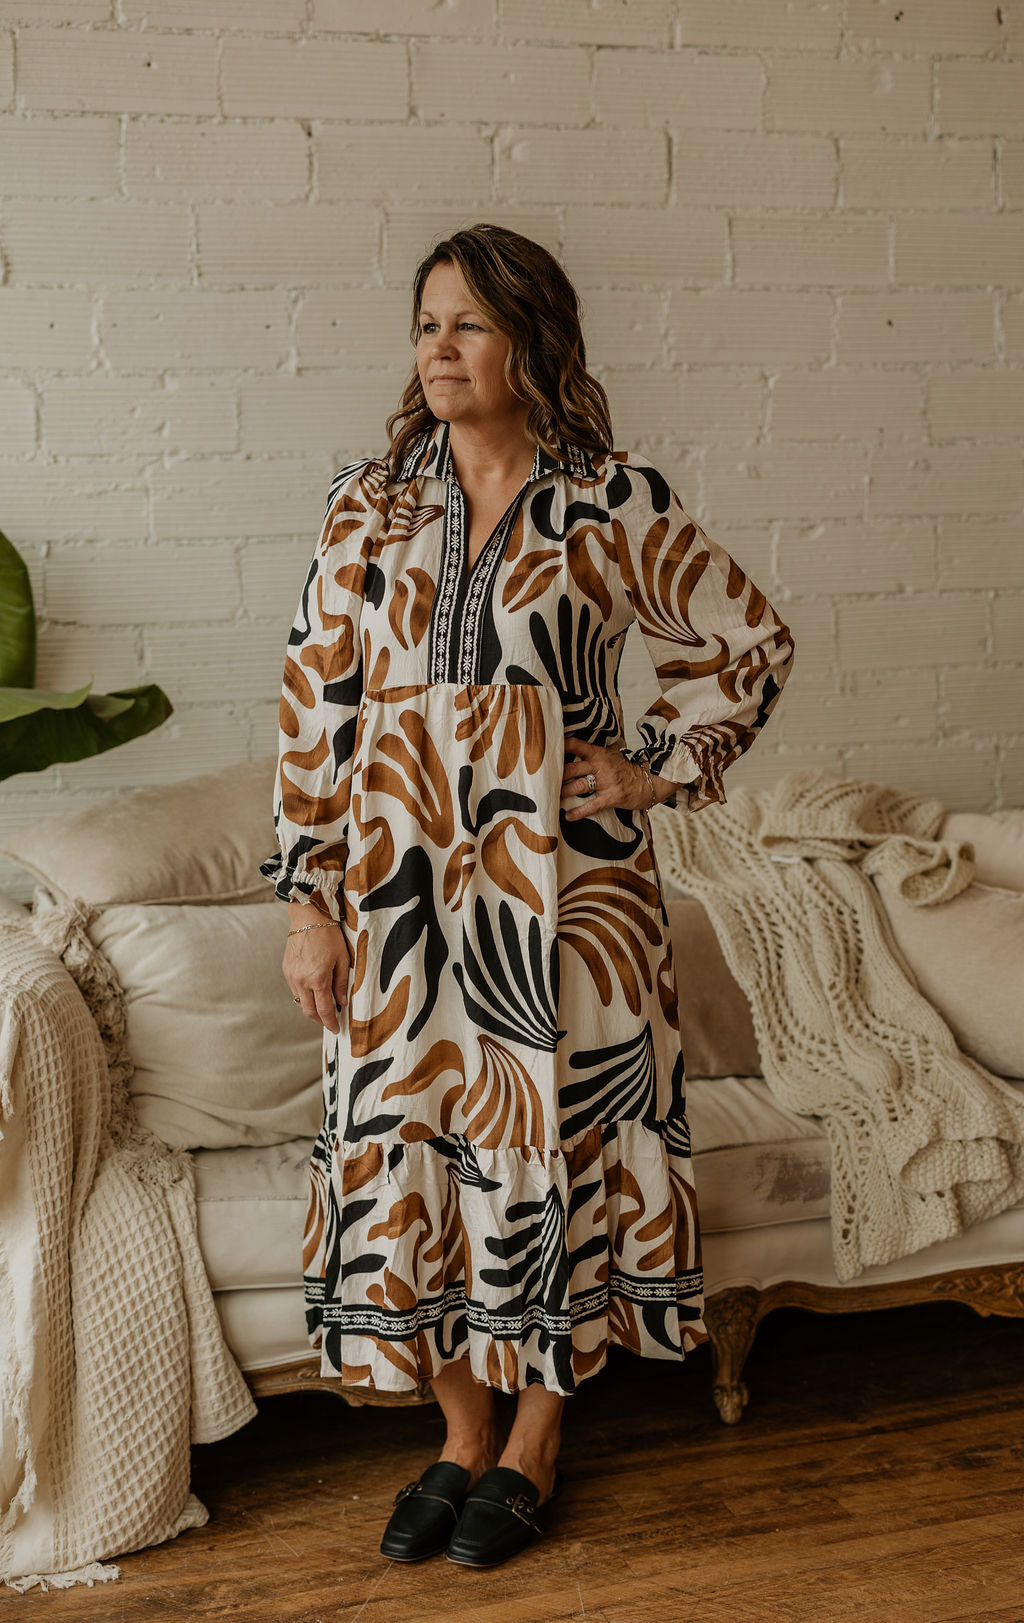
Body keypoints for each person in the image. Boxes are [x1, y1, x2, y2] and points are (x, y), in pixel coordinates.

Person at [259, 223, 795, 1570]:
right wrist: (309, 900)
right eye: (426, 325)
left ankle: (537, 1438)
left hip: (574, 897)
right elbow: (316, 709)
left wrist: (652, 766)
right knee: (404, 1137)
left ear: (532, 342)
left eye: (470, 326)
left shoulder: (611, 501)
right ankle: (460, 1432)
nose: (438, 350)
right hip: (397, 894)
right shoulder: (368, 505)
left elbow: (749, 642)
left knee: (559, 1143)